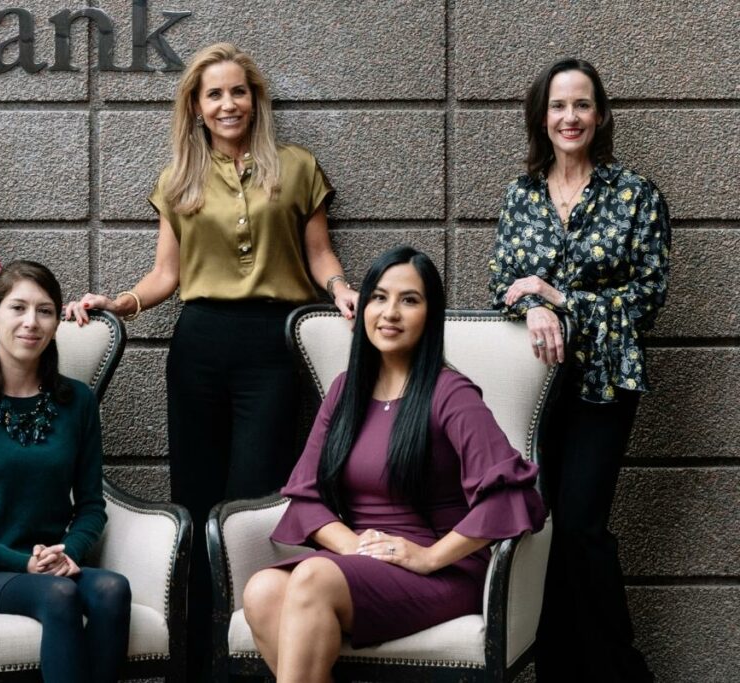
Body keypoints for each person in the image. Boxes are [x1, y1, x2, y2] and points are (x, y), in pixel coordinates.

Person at [64, 42, 358, 679]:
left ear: (255, 99)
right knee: (195, 509)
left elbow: (319, 255)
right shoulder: (179, 179)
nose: (228, 104)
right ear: (196, 107)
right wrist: (119, 302)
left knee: (251, 507)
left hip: (273, 347)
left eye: (238, 91)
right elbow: (165, 275)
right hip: (198, 346)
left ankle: (252, 655)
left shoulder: (297, 168)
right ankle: (198, 664)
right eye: (214, 94)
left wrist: (341, 289)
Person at [242, 246, 546, 682]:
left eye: (410, 300)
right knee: (262, 590)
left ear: (430, 315)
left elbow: (510, 496)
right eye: (379, 297)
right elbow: (305, 496)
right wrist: (354, 546)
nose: (390, 313)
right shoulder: (344, 391)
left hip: (441, 571)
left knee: (311, 577)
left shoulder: (450, 393)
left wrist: (429, 557)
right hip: (362, 560)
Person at [488, 58, 670, 682]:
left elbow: (647, 298)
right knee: (541, 527)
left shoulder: (635, 194)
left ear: (600, 115)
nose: (570, 117)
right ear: (542, 117)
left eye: (582, 105)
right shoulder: (521, 195)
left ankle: (622, 670)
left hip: (603, 383)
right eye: (559, 105)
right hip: (531, 385)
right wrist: (532, 305)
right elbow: (502, 284)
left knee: (583, 527)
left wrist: (560, 298)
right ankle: (559, 670)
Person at [0, 260, 131, 683]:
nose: (31, 322)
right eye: (18, 308)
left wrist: (69, 552)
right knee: (58, 595)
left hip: (52, 566)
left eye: (45, 311)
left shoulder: (78, 402)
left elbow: (91, 506)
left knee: (113, 589)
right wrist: (23, 564)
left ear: (56, 323)